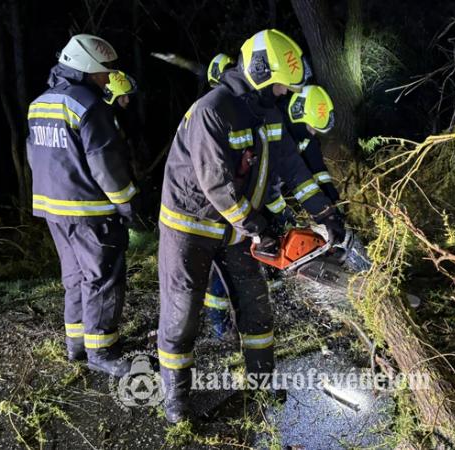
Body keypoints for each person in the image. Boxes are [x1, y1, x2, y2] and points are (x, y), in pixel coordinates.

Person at [157, 29, 345, 423]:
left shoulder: (268, 112)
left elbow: (292, 166)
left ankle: (261, 382)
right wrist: (258, 224)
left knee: (256, 306)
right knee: (182, 313)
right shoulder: (213, 109)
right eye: (280, 84)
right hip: (190, 224)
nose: (282, 92)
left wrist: (325, 212)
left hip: (239, 227)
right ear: (260, 71)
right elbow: (215, 182)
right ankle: (176, 399)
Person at [26, 34, 142, 377]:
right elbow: (105, 164)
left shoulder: (40, 103)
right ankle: (102, 350)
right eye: (105, 71)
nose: (109, 78)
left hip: (53, 209)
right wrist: (128, 205)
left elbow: (35, 156)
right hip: (90, 212)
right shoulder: (88, 106)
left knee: (75, 277)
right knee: (103, 278)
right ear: (89, 68)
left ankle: (76, 343)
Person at [204, 83, 343, 341]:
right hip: (233, 211)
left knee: (254, 266)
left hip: (256, 211)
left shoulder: (296, 135)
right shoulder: (268, 129)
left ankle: (256, 316)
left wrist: (329, 210)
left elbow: (303, 174)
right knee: (224, 270)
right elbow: (265, 183)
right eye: (311, 127)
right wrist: (281, 214)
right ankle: (219, 327)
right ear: (299, 115)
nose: (312, 133)